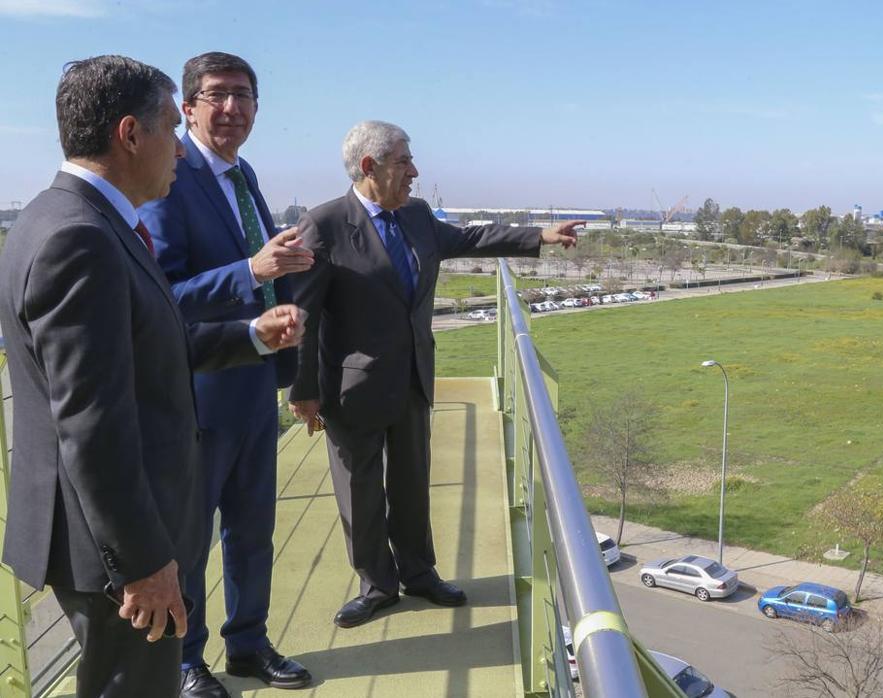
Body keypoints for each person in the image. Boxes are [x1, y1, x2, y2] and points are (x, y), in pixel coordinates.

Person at [0, 56, 304, 698]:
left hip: (107, 531)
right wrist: (141, 564)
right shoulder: (78, 239)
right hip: (112, 546)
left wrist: (250, 335)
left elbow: (138, 348)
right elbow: (91, 425)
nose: (181, 149)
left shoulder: (63, 216)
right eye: (174, 125)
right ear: (131, 134)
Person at [287, 120, 580, 628]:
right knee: (360, 492)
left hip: (413, 377)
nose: (415, 172)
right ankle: (377, 585)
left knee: (411, 482)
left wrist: (540, 236)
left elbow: (469, 237)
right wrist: (304, 391)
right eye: (404, 162)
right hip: (351, 388)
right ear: (369, 166)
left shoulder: (418, 215)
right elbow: (304, 315)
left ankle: (419, 574)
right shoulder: (326, 224)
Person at [142, 52, 314, 697]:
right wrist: (253, 271)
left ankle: (248, 643)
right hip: (198, 391)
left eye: (244, 96)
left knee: (252, 529)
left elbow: (257, 267)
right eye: (217, 95)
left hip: (252, 384)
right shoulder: (172, 178)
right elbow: (162, 294)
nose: (233, 108)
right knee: (190, 539)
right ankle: (185, 660)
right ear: (187, 107)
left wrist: (285, 273)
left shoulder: (243, 177)